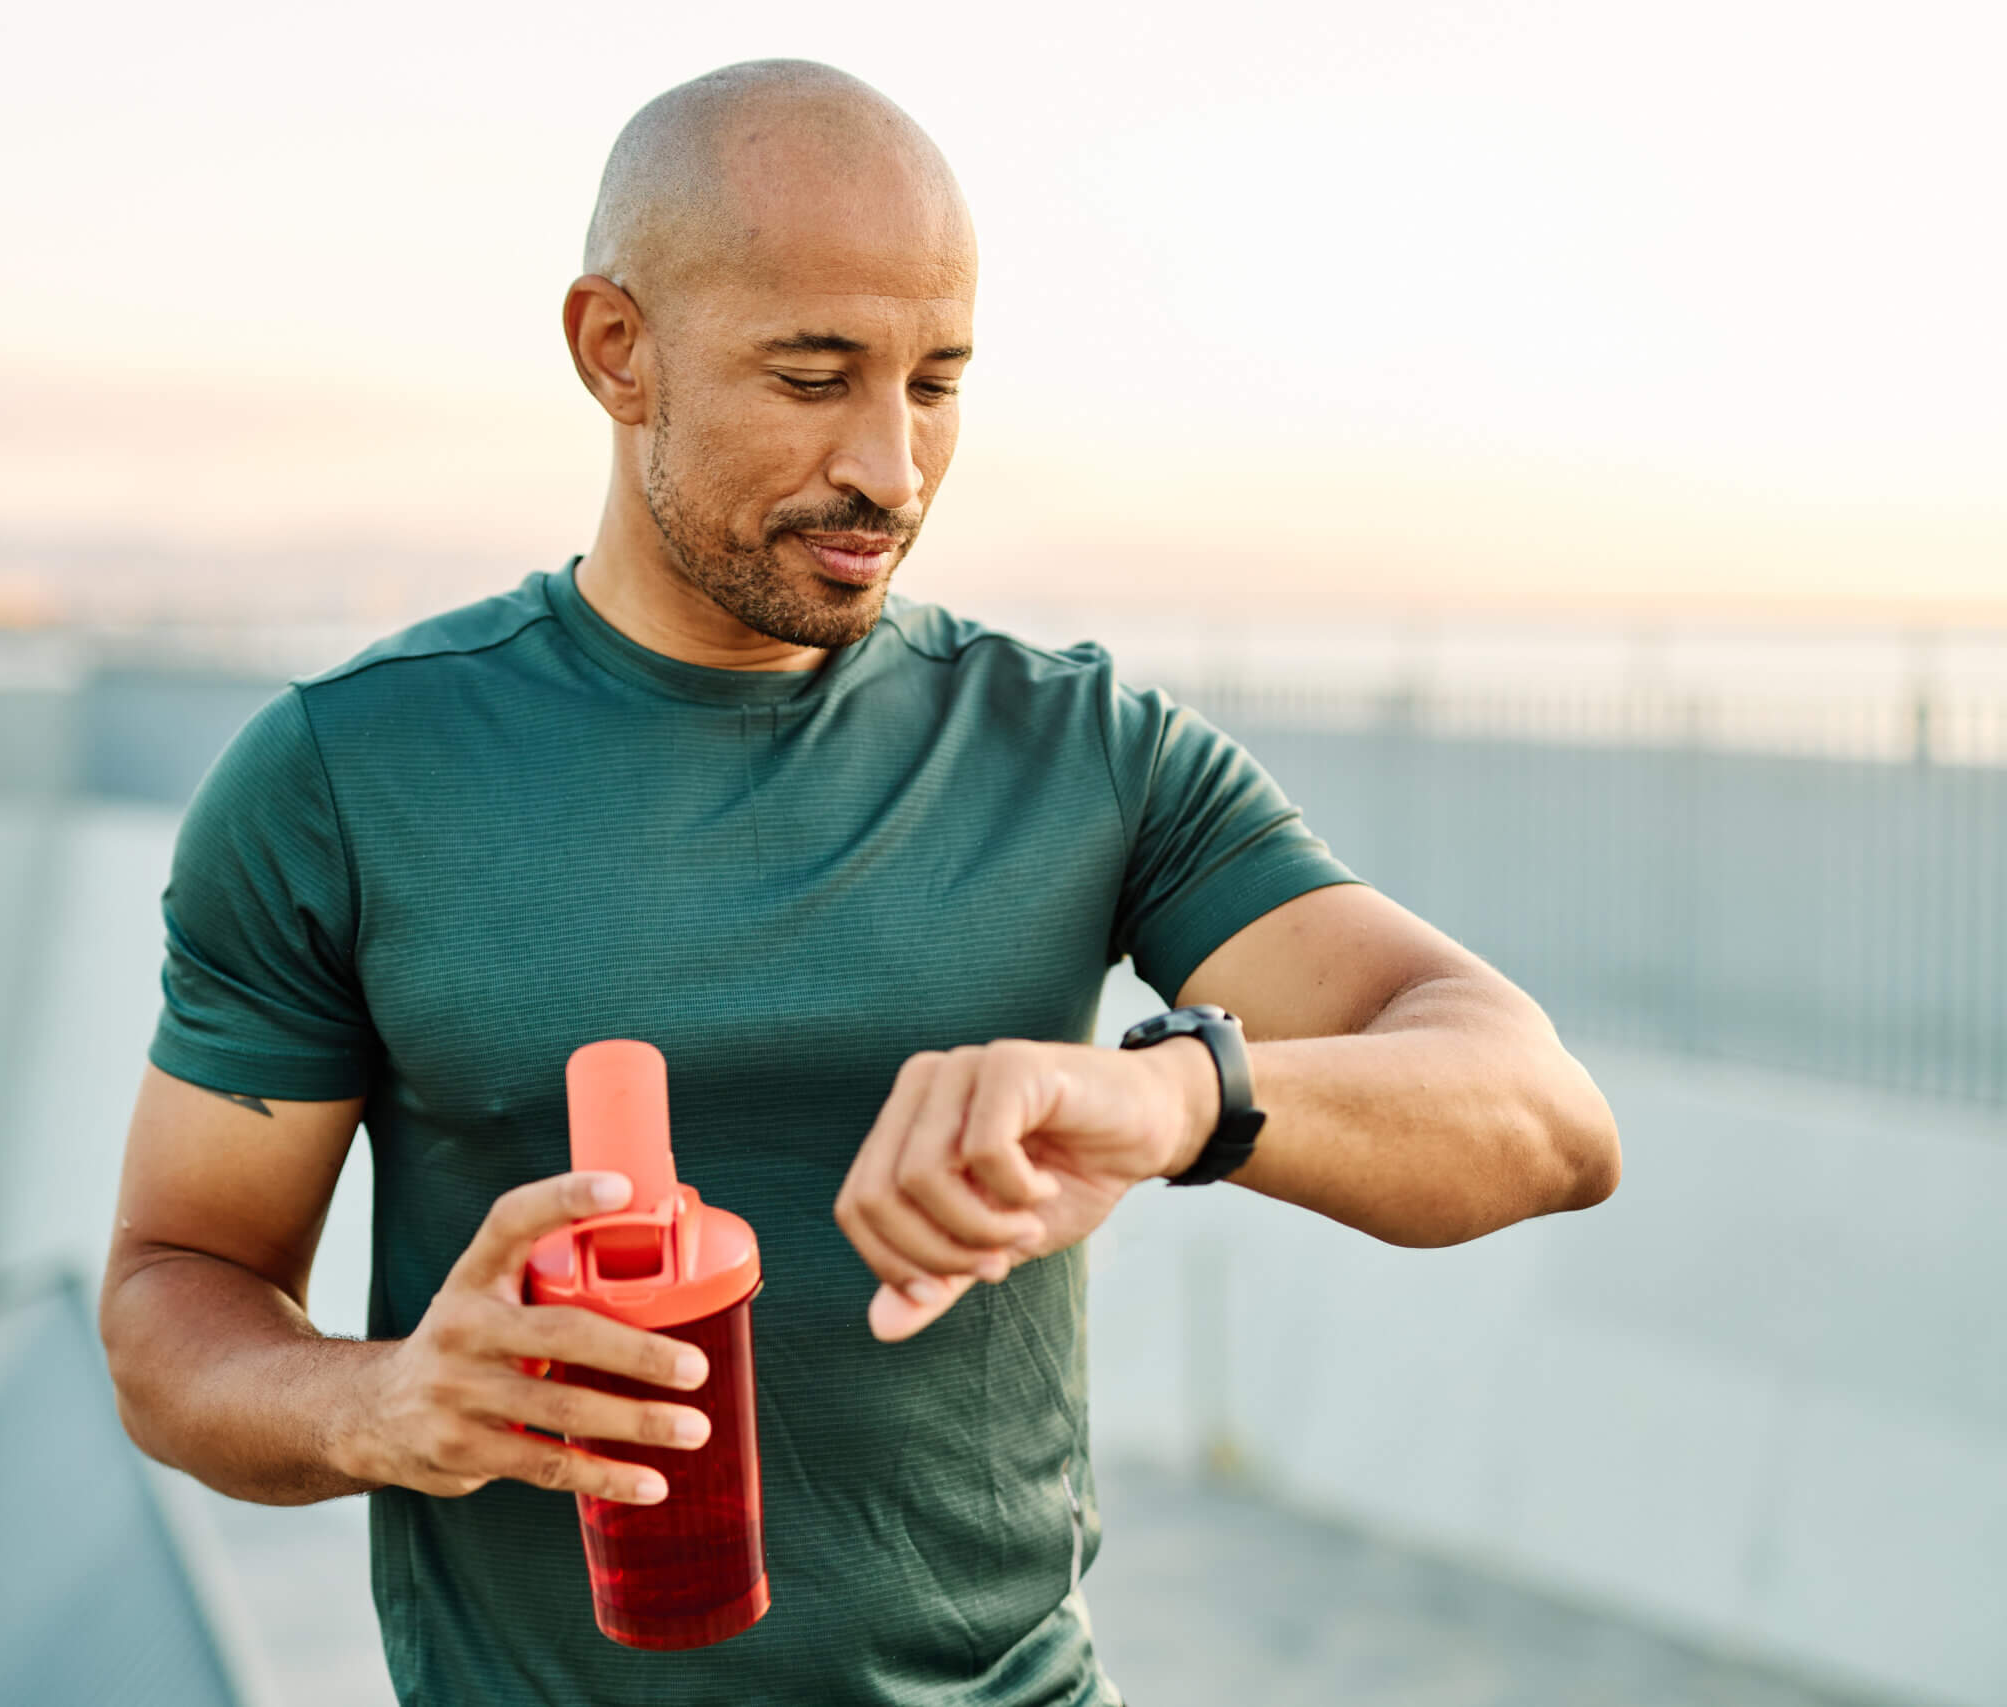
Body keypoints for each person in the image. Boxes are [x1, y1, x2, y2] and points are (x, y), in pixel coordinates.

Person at [99, 58, 1620, 1707]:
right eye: (814, 377)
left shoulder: (1079, 750)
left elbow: (1542, 1118)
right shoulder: (345, 777)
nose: (891, 468)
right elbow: (175, 1295)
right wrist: (379, 1405)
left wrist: (1178, 1100)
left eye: (938, 382)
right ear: (617, 350)